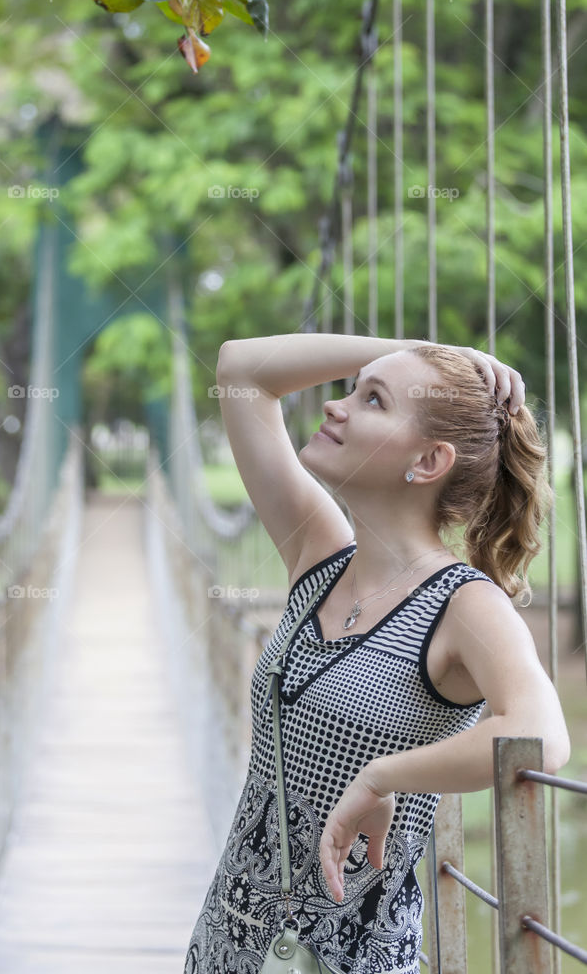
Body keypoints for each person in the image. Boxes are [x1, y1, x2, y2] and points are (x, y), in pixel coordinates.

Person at [183, 333, 571, 974]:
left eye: (373, 400)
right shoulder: (320, 554)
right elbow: (241, 370)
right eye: (353, 389)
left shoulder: (463, 603)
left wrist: (384, 776)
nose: (334, 406)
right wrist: (428, 349)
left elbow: (542, 736)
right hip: (228, 944)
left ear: (429, 460)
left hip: (351, 959)